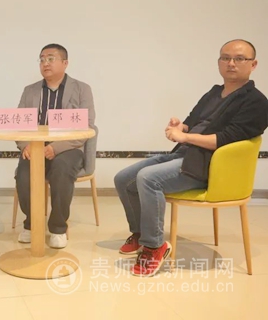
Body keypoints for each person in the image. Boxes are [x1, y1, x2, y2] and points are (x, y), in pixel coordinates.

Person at [114, 39, 268, 277]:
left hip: (210, 166)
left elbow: (225, 139)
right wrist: (181, 127)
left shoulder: (257, 102)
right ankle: (141, 233)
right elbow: (192, 121)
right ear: (219, 62)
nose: (231, 63)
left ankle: (154, 246)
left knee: (148, 179)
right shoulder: (214, 92)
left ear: (253, 64)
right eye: (225, 58)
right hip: (187, 154)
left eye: (239, 59)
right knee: (123, 178)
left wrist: (184, 137)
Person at [14, 43, 96, 249]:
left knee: (62, 169)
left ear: (65, 63)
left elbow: (87, 126)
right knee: (23, 174)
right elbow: (19, 125)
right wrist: (26, 145)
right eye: (42, 59)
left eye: (51, 58)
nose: (45, 63)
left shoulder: (82, 89)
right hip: (35, 147)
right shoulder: (30, 91)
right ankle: (32, 223)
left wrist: (55, 148)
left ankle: (58, 228)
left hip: (68, 148)